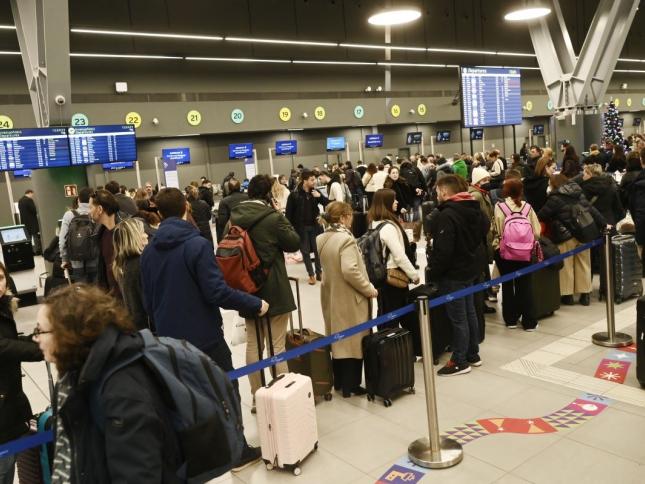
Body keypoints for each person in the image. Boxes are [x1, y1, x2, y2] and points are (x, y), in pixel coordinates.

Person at [140, 187, 268, 470]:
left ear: (159, 213)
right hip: (205, 337)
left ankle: (199, 455)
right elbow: (216, 292)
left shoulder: (148, 251)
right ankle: (236, 452)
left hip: (169, 341)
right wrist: (254, 302)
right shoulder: (196, 245)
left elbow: (147, 301)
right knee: (226, 389)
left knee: (185, 397)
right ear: (186, 207)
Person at [32, 284, 184, 481]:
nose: (35, 338)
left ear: (68, 333)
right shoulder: (72, 377)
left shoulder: (121, 392)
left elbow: (137, 475)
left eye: (40, 330)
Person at [229, 175, 300, 404]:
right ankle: (280, 399)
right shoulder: (272, 217)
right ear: (268, 194)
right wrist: (280, 214)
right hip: (274, 287)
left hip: (247, 289)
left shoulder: (234, 217)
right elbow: (294, 242)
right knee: (277, 346)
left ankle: (257, 397)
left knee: (254, 345)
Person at [427, 175, 488, 375]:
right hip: (470, 270)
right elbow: (484, 230)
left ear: (445, 192)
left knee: (459, 318)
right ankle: (473, 353)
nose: (436, 195)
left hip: (453, 274)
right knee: (470, 312)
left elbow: (443, 252)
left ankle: (460, 360)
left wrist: (433, 272)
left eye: (437, 192)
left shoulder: (447, 215)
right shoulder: (474, 208)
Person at [317, 202, 377, 397]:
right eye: (350, 215)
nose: (352, 218)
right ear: (343, 217)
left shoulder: (322, 238)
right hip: (350, 297)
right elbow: (350, 270)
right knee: (353, 341)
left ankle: (340, 381)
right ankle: (351, 385)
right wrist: (368, 289)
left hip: (332, 294)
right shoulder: (346, 239)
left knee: (338, 339)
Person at [0, 263, 42, 484]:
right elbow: (4, 347)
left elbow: (12, 342)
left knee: (11, 461)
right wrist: (42, 349)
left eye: (0, 278)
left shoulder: (4, 306)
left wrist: (40, 339)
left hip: (10, 398)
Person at [539, 174, 607, 306]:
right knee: (584, 264)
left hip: (565, 235)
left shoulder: (555, 198)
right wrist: (603, 223)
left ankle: (568, 296)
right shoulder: (579, 193)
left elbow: (542, 215)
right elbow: (591, 210)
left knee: (567, 265)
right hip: (584, 234)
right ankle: (585, 295)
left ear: (554, 184)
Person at [368, 189, 419, 341]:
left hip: (381, 276)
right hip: (394, 277)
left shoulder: (374, 223)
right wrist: (414, 275)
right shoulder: (389, 227)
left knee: (385, 313)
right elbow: (399, 256)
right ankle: (392, 347)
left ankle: (386, 346)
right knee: (394, 316)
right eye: (394, 199)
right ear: (386, 203)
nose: (396, 202)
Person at [493, 179, 541, 330]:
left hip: (504, 251)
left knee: (507, 285)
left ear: (505, 191)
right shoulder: (527, 207)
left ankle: (510, 320)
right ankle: (529, 322)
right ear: (521, 191)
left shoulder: (499, 207)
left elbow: (497, 229)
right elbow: (537, 232)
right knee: (525, 285)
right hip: (525, 252)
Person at [286, 169, 328, 285]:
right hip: (301, 228)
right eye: (312, 180)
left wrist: (319, 197)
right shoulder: (294, 195)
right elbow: (288, 214)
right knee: (305, 252)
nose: (314, 182)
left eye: (314, 179)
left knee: (318, 250)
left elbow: (327, 203)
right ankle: (311, 275)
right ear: (305, 181)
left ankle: (319, 272)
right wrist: (290, 229)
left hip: (315, 226)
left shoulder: (315, 192)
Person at [112, 218, 152, 331]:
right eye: (142, 232)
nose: (146, 235)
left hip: (137, 326)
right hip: (149, 328)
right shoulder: (140, 264)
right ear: (134, 237)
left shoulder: (121, 265)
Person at [90, 189, 126, 299]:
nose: (88, 212)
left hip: (127, 297)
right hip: (112, 296)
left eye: (90, 207)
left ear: (100, 209)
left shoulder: (125, 231)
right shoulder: (100, 233)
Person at [59, 187, 99, 283]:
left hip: (76, 262)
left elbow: (62, 240)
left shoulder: (69, 215)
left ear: (78, 200)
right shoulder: (96, 213)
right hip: (95, 260)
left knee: (81, 290)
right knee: (97, 289)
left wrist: (64, 259)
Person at [18, 189, 41, 255]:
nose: (32, 196)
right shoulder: (29, 200)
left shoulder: (20, 200)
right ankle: (37, 251)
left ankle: (29, 251)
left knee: (28, 237)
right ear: (29, 193)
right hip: (32, 221)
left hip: (24, 221)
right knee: (35, 236)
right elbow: (33, 210)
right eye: (32, 194)